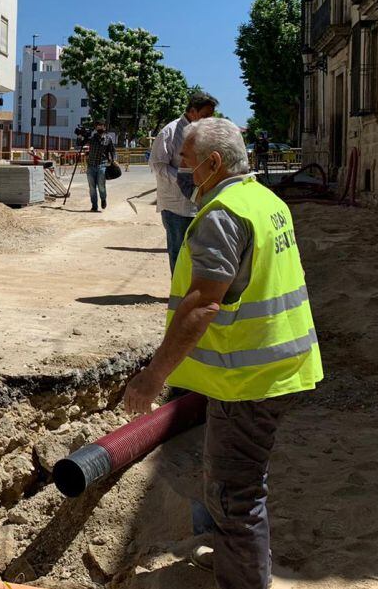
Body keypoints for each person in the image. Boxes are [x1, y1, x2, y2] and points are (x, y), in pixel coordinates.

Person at [124, 117, 323, 589]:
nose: (186, 175)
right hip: (279, 365)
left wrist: (153, 377)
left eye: (190, 165)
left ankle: (245, 578)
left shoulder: (222, 215)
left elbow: (202, 304)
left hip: (248, 380)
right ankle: (240, 558)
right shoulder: (265, 201)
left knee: (236, 495)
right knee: (240, 484)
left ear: (215, 163)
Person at [150, 92, 218, 272]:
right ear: (193, 111)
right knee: (178, 252)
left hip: (202, 203)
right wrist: (185, 178)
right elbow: (158, 165)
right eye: (205, 116)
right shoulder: (170, 132)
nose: (208, 120)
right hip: (176, 207)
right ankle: (178, 294)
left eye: (211, 116)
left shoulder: (206, 133)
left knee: (199, 252)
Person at [84, 120, 116, 211]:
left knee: (101, 185)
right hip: (91, 165)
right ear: (96, 127)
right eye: (98, 126)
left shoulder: (108, 138)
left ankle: (103, 199)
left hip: (102, 165)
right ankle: (94, 205)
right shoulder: (92, 138)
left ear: (104, 127)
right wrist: (82, 136)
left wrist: (113, 160)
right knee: (92, 187)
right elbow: (82, 143)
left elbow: (112, 150)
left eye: (101, 125)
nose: (100, 127)